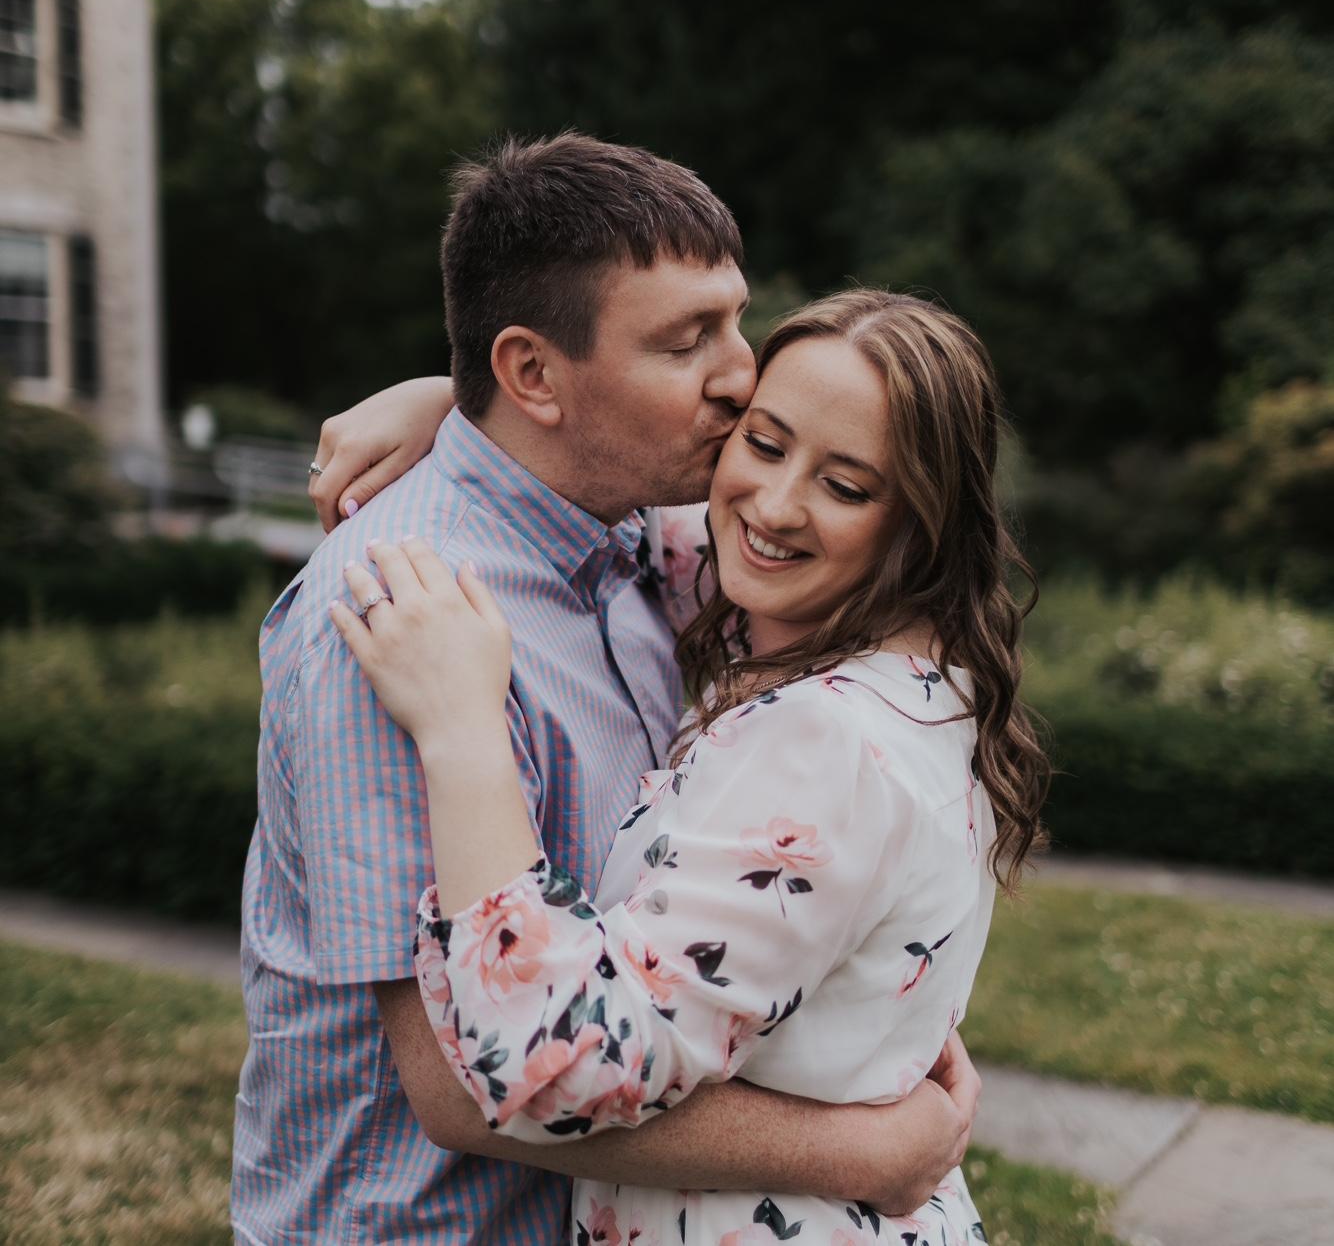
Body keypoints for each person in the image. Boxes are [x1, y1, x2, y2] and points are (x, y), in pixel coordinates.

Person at [234, 134, 980, 1243]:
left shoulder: (646, 544)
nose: (741, 375)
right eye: (687, 342)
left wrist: (446, 399)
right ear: (534, 374)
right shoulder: (399, 617)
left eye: (735, 320)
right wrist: (866, 1147)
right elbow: (455, 1088)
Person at [328, 289, 1050, 1243]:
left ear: (921, 522)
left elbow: (556, 1067)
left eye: (846, 487)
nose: (776, 505)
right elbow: (652, 521)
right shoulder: (899, 663)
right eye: (765, 442)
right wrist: (465, 411)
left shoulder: (825, 741)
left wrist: (464, 730)